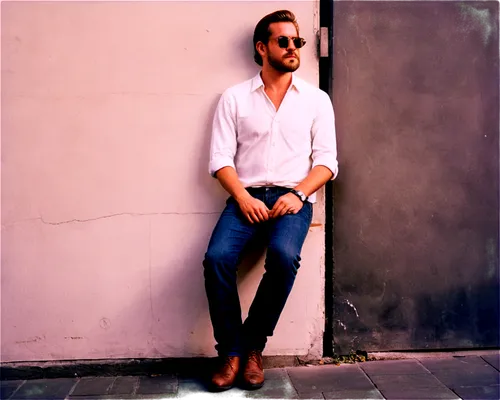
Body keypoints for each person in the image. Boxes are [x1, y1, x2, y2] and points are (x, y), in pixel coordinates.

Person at [203, 9, 338, 390]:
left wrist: (299, 193)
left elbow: (327, 161)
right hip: (245, 197)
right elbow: (220, 160)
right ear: (263, 48)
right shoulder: (234, 98)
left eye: (298, 41)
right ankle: (230, 352)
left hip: (293, 199)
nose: (293, 47)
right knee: (216, 259)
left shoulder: (316, 100)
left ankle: (252, 349)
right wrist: (243, 197)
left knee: (282, 256)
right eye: (284, 41)